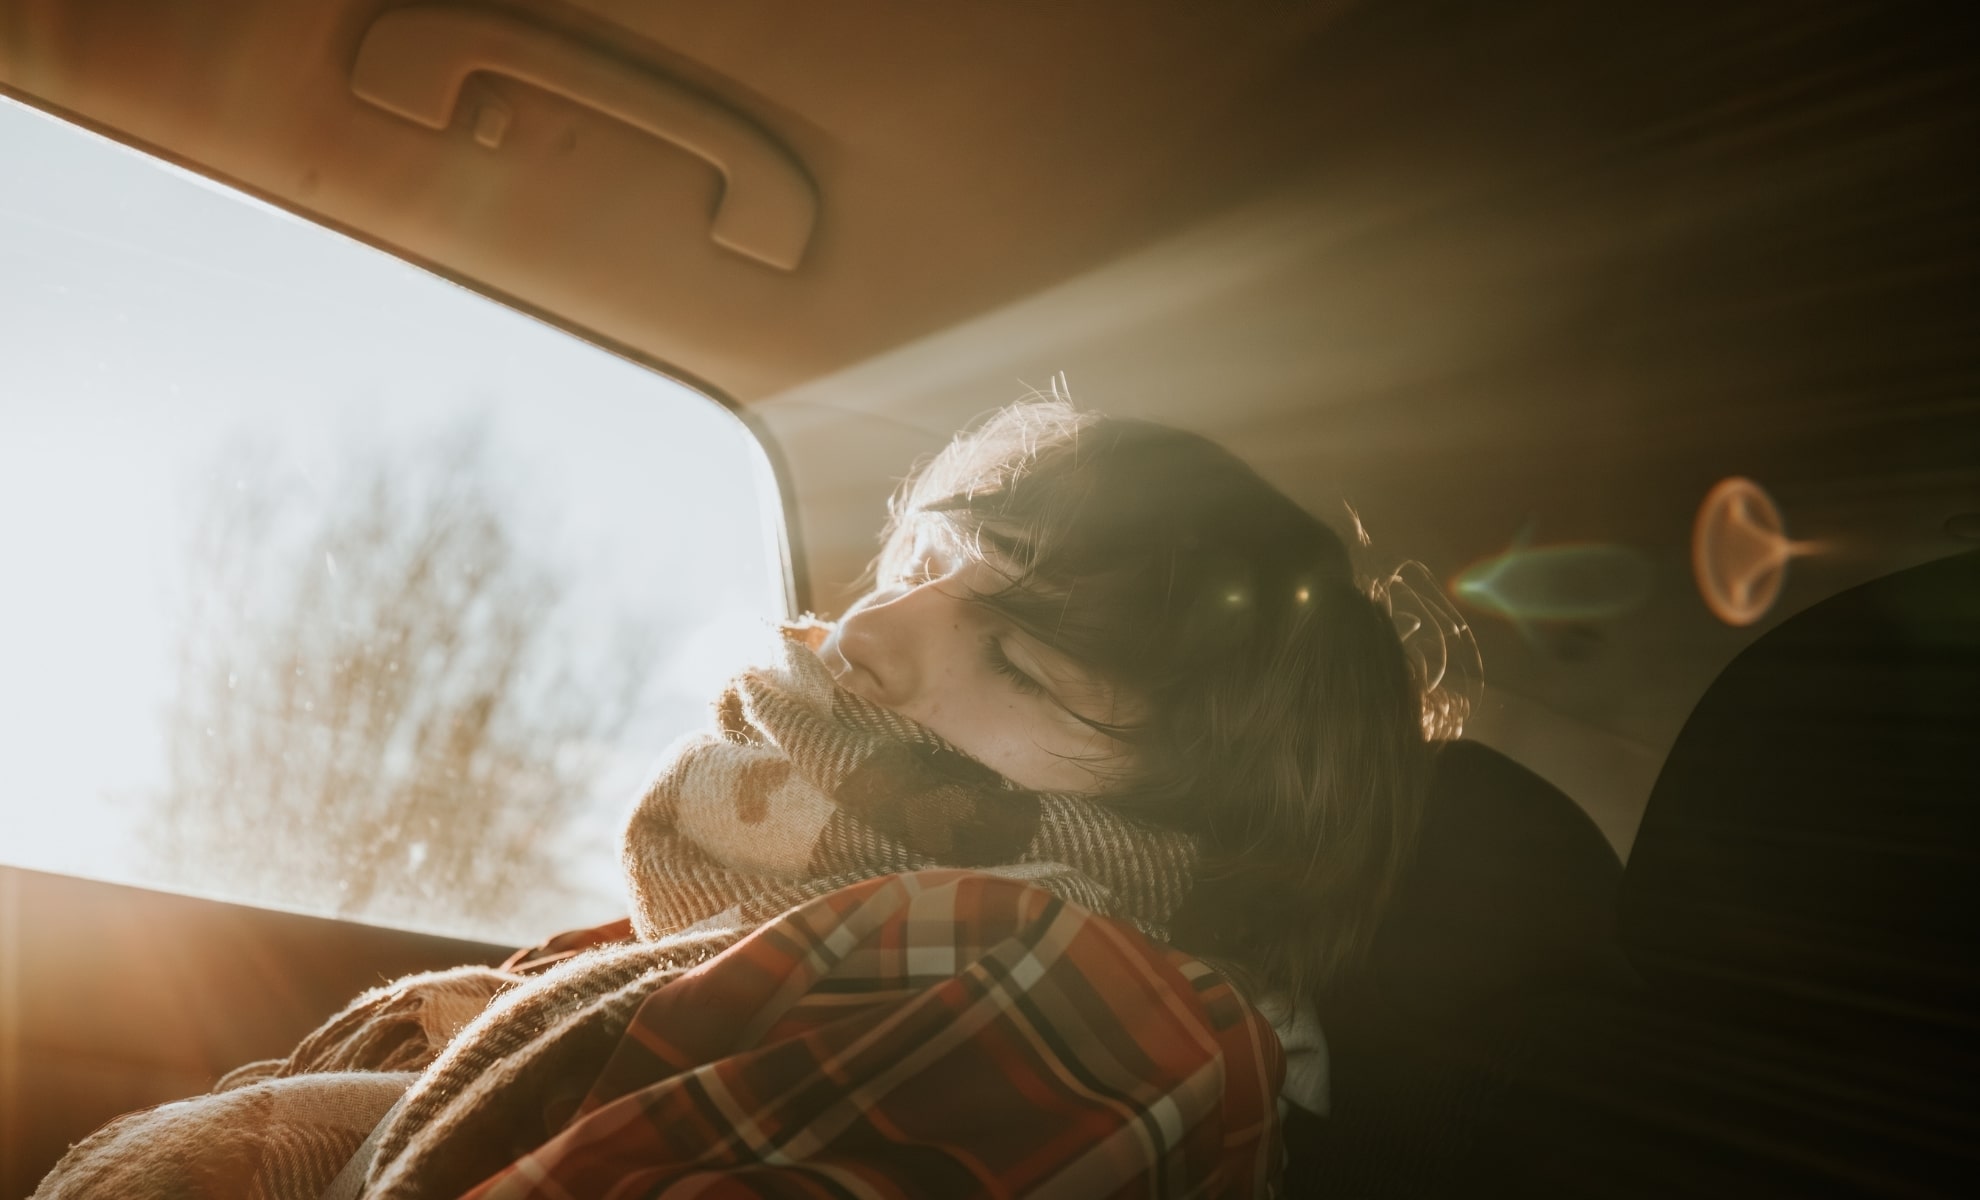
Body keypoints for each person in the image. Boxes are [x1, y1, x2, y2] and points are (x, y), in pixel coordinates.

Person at [37, 394, 1447, 1200]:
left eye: (1017, 654)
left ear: (1191, 836)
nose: (864, 635)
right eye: (915, 570)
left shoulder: (1096, 996)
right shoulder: (720, 939)